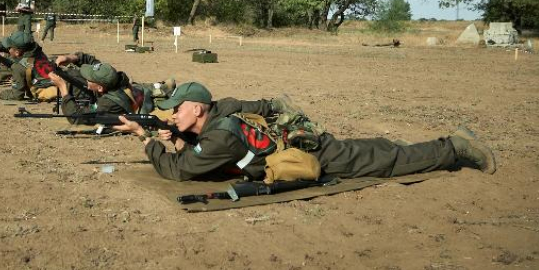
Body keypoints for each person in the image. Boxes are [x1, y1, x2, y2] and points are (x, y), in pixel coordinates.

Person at [113, 82, 497, 182]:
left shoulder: (218, 136)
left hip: (314, 154)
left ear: (197, 109)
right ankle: (430, 147)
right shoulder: (220, 118)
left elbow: (181, 170)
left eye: (177, 110)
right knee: (379, 150)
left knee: (386, 161)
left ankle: (455, 147)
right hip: (301, 144)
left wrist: (146, 141)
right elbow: (204, 150)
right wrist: (177, 139)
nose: (172, 115)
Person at [47, 53, 174, 119]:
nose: (85, 78)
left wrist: (63, 88)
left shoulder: (109, 102)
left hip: (142, 103)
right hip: (140, 92)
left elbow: (76, 117)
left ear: (101, 88)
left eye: (88, 78)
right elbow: (89, 60)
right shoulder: (108, 75)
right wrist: (68, 58)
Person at [0, 30, 55, 101]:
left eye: (8, 48)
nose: (8, 50)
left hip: (48, 91)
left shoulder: (19, 67)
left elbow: (17, 95)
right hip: (58, 83)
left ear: (17, 52)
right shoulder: (37, 52)